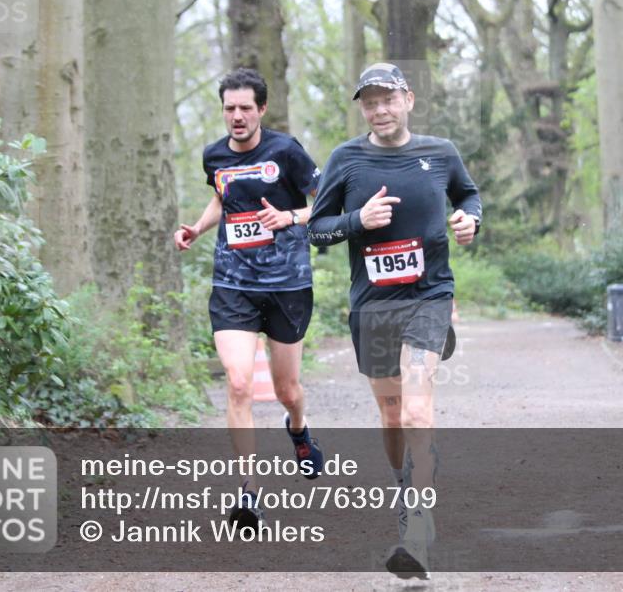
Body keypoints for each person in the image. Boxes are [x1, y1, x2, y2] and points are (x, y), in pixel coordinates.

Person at [307, 62, 482, 579]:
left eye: (388, 99)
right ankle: (407, 486)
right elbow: (315, 231)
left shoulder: (440, 153)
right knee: (391, 415)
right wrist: (357, 221)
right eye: (370, 101)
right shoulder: (347, 159)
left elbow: (468, 195)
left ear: (407, 99)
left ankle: (417, 529)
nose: (380, 109)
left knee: (417, 410)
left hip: (429, 298)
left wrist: (470, 220)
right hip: (373, 307)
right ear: (363, 107)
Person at [174, 68, 324, 531]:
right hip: (234, 285)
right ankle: (248, 493)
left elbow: (324, 204)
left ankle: (298, 429)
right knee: (239, 383)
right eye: (229, 108)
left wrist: (290, 217)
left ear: (261, 109)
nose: (236, 116)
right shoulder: (214, 156)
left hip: (287, 285)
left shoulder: (287, 151)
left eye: (245, 108)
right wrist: (198, 228)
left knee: (286, 391)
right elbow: (223, 198)